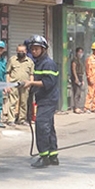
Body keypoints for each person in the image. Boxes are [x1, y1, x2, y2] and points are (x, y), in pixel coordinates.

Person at [24, 35, 60, 168]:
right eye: (32, 49)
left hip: (48, 99)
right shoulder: (38, 62)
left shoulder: (48, 64)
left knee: (41, 126)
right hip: (43, 99)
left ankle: (44, 157)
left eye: (36, 49)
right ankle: (53, 156)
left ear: (43, 49)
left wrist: (32, 82)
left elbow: (48, 83)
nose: (33, 51)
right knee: (49, 127)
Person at [4, 44, 34, 125]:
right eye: (19, 51)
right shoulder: (12, 60)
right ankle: (11, 120)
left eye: (23, 51)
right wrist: (7, 84)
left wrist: (30, 83)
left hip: (25, 85)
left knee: (24, 103)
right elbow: (8, 73)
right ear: (16, 51)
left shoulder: (30, 62)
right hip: (13, 84)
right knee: (12, 102)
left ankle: (22, 119)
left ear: (26, 52)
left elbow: (31, 74)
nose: (21, 53)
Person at [70, 47, 86, 113]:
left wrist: (82, 80)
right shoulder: (75, 60)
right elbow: (73, 69)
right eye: (79, 52)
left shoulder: (80, 60)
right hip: (76, 77)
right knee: (76, 92)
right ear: (76, 52)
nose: (81, 53)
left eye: (82, 52)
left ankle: (79, 106)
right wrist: (76, 78)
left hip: (80, 77)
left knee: (79, 93)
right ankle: (76, 107)